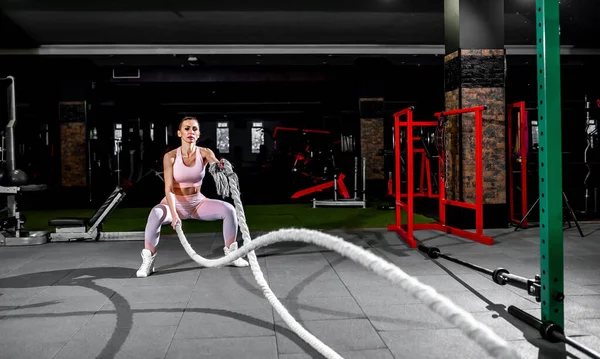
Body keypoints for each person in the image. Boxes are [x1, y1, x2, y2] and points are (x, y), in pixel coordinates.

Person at [136, 116, 249, 278]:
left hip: (197, 203)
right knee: (156, 213)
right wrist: (174, 215)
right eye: (187, 128)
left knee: (229, 210)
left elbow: (215, 164)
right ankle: (148, 261)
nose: (191, 132)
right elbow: (168, 188)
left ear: (198, 134)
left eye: (194, 129)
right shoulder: (171, 157)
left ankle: (232, 254)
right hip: (173, 204)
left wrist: (221, 167)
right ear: (179, 133)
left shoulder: (204, 153)